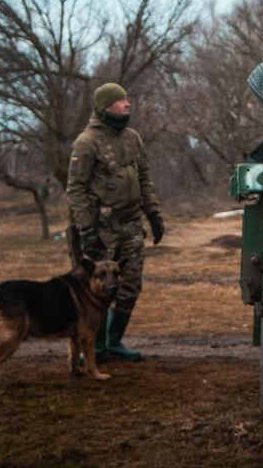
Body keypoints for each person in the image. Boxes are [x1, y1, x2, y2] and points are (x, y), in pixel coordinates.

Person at [66, 82, 165, 361]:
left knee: (130, 285)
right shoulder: (85, 143)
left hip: (131, 223)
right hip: (101, 227)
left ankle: (113, 341)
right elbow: (75, 189)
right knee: (94, 290)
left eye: (126, 99)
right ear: (105, 106)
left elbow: (144, 177)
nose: (127, 104)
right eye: (120, 100)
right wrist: (86, 229)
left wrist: (154, 214)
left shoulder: (133, 137)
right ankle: (92, 348)